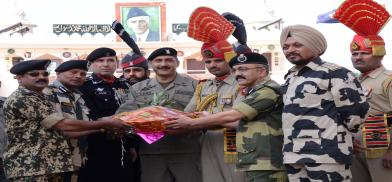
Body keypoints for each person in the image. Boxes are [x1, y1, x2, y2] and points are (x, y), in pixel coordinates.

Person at [165, 52, 287, 182]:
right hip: (254, 157)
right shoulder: (207, 85)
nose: (238, 73)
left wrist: (192, 123)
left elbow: (234, 115)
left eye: (243, 69)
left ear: (262, 71)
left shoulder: (268, 90)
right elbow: (242, 122)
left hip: (262, 158)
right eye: (235, 70)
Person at [2, 60, 127, 181]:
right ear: (19, 78)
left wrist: (104, 126)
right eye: (34, 74)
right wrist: (105, 123)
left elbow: (67, 132)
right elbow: (63, 125)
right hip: (30, 165)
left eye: (44, 74)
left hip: (53, 164)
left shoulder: (41, 97)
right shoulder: (24, 97)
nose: (41, 77)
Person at [280, 24, 369, 181]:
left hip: (327, 154)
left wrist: (343, 136)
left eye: (297, 45)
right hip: (294, 154)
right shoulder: (290, 76)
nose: (290, 50)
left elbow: (356, 112)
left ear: (315, 47)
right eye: (286, 47)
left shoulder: (334, 73)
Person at [117, 47, 201, 182]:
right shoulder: (137, 88)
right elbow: (124, 115)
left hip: (187, 150)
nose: (163, 64)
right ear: (151, 64)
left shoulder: (195, 86)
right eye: (158, 60)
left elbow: (203, 114)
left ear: (177, 63)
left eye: (169, 60)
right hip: (152, 151)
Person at [185, 6, 246, 182]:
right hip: (208, 143)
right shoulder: (203, 86)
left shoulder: (243, 83)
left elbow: (243, 118)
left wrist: (205, 118)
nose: (213, 65)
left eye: (218, 60)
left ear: (229, 58)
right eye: (208, 61)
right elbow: (189, 114)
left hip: (236, 142)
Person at [333, 0, 392, 181]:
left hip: (384, 149)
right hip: (355, 147)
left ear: (379, 53)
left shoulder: (388, 79)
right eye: (354, 54)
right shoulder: (351, 81)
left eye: (364, 53)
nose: (358, 57)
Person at [78, 48, 140, 182]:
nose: (106, 64)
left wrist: (131, 145)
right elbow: (88, 117)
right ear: (91, 65)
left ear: (116, 64)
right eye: (100, 61)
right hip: (95, 146)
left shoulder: (125, 85)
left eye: (110, 60)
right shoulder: (84, 87)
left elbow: (133, 114)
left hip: (123, 145)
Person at [42, 60, 95, 181]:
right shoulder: (47, 93)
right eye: (73, 72)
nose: (78, 76)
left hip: (77, 156)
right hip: (54, 159)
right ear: (58, 73)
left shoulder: (78, 96)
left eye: (82, 74)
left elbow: (84, 122)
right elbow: (62, 128)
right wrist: (102, 126)